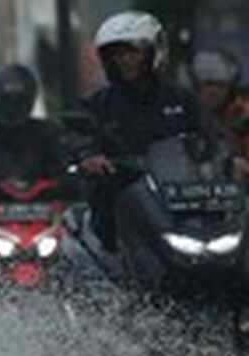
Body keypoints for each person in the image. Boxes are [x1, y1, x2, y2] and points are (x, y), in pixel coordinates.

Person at [74, 10, 233, 251]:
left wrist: (231, 159)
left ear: (153, 52)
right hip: (123, 198)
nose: (125, 60)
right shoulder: (99, 103)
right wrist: (89, 156)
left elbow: (212, 136)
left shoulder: (182, 98)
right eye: (117, 54)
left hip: (185, 196)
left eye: (133, 52)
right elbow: (79, 134)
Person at [0, 64, 71, 201]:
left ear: (29, 101)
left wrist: (64, 182)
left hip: (44, 207)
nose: (12, 109)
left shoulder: (49, 133)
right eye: (7, 103)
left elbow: (65, 168)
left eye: (18, 103)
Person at [189, 49, 249, 160]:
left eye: (220, 84)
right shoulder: (198, 114)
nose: (213, 91)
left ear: (231, 86)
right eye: (207, 84)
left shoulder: (243, 113)